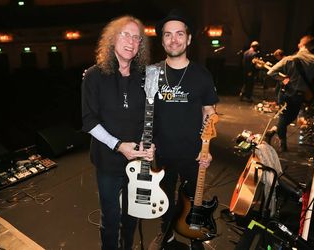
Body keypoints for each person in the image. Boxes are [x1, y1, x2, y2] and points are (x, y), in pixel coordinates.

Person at [81, 15, 155, 250]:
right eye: (125, 34)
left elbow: (153, 117)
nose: (131, 41)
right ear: (112, 38)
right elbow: (89, 121)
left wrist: (152, 145)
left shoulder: (147, 75)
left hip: (138, 160)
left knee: (132, 216)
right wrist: (119, 145)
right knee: (110, 219)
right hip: (108, 160)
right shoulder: (93, 76)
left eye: (136, 37)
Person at [148, 9, 219, 250]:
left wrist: (206, 147)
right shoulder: (152, 73)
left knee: (192, 200)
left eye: (179, 34)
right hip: (162, 154)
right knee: (164, 200)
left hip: (193, 153)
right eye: (168, 35)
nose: (174, 39)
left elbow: (209, 112)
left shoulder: (201, 74)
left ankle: (192, 237)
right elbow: (135, 102)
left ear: (188, 39)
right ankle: (167, 236)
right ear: (162, 40)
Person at [265, 35, 314, 152]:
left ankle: (273, 132)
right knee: (286, 119)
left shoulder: (289, 59)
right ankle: (282, 142)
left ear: (300, 45)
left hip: (284, 93)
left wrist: (283, 79)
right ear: (311, 46)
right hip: (298, 96)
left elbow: (271, 72)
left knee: (285, 118)